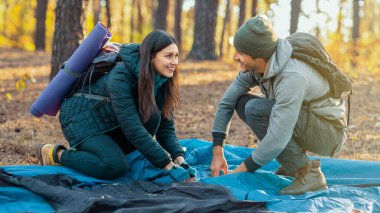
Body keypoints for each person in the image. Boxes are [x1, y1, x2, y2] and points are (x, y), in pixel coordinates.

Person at [209, 15, 347, 195]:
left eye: (241, 53)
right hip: (306, 120)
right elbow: (227, 102)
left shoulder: (292, 76)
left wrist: (237, 173)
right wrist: (217, 152)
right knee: (243, 103)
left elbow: (277, 138)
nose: (236, 57)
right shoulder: (255, 67)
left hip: (329, 133)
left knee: (256, 110)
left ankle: (309, 174)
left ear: (259, 55)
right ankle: (292, 165)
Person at [36, 30, 196, 181]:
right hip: (82, 119)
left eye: (176, 56)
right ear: (151, 57)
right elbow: (133, 128)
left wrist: (181, 161)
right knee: (115, 167)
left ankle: (104, 151)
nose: (174, 62)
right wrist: (168, 165)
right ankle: (56, 154)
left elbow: (166, 129)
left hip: (110, 120)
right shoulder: (120, 77)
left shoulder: (162, 80)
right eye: (168, 56)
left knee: (154, 118)